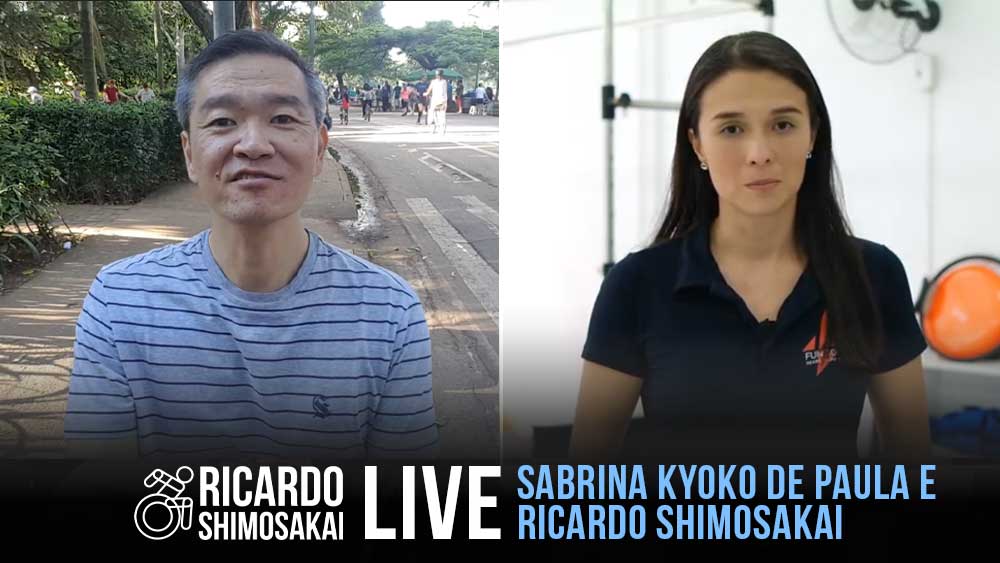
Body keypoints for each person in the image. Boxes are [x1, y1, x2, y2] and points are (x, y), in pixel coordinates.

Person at [64, 30, 437, 461]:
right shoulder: (120, 300)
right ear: (189, 154)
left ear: (319, 150)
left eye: (282, 118)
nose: (254, 145)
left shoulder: (389, 309)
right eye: (222, 121)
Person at [570, 31, 930, 461]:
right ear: (697, 143)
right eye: (732, 128)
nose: (759, 152)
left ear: (812, 133)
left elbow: (911, 461)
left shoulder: (873, 274)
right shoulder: (637, 285)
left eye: (783, 124)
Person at [426, 69, 448, 134]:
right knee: (433, 115)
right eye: (437, 75)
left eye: (439, 75)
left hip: (441, 100)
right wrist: (426, 93)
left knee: (441, 115)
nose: (438, 76)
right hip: (435, 100)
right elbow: (429, 89)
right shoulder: (433, 81)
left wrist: (445, 102)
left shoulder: (444, 82)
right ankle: (434, 128)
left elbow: (444, 92)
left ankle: (442, 129)